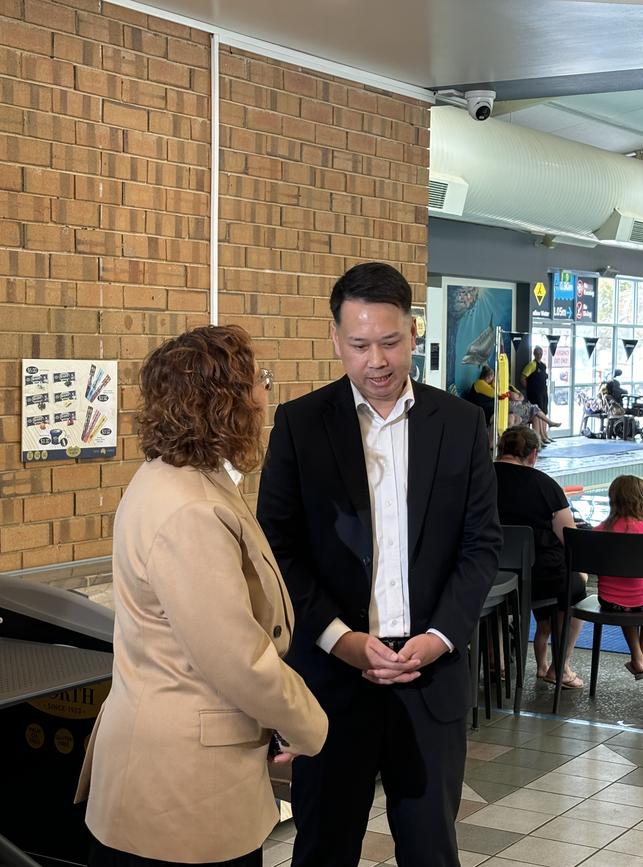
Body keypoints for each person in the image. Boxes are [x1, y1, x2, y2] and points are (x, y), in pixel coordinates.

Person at [257, 262, 501, 867]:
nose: (377, 361)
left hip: (430, 681)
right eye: (360, 344)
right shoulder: (300, 425)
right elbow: (276, 549)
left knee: (430, 850)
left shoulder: (462, 424)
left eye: (390, 342)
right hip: (334, 683)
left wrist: (442, 636)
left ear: (413, 333)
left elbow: (480, 545)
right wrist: (340, 640)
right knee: (322, 849)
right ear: (336, 339)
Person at [76, 326, 328, 867]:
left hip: (175, 775)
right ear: (224, 403)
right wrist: (310, 723)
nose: (265, 395)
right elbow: (237, 659)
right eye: (257, 381)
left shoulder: (182, 478)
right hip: (180, 791)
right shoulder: (189, 508)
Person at [494, 426, 587, 688]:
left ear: (501, 449)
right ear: (533, 455)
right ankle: (560, 667)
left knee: (489, 591)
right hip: (541, 578)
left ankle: (496, 660)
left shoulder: (478, 478)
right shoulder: (546, 486)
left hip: (487, 576)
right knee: (576, 588)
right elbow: (570, 539)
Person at [595, 475, 643, 679]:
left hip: (608, 601)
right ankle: (640, 657)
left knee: (625, 596)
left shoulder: (598, 531)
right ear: (642, 501)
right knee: (638, 596)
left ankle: (639, 658)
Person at [521, 345, 550, 440]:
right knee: (538, 413)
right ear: (534, 354)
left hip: (543, 392)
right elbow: (523, 378)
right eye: (537, 353)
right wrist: (529, 388)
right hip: (535, 393)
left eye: (540, 353)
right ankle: (539, 437)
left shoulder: (543, 365)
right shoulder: (532, 365)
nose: (539, 355)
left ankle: (544, 435)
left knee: (544, 412)